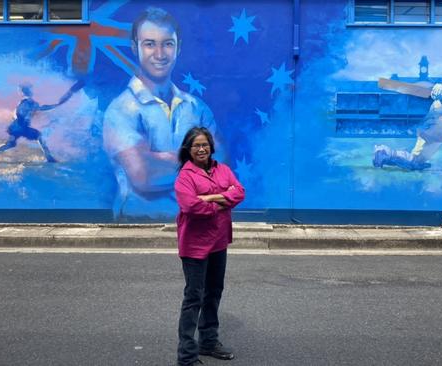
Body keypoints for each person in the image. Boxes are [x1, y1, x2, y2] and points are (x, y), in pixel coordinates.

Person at [103, 7, 218, 216]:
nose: (159, 54)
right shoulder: (120, 111)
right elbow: (145, 175)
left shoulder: (197, 107)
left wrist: (160, 157)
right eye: (149, 44)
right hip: (138, 226)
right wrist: (198, 159)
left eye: (167, 44)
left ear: (178, 48)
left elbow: (220, 165)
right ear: (134, 47)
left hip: (195, 222)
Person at [174, 127, 245, 366]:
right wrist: (221, 202)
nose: (201, 149)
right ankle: (186, 356)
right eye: (196, 146)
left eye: (205, 145)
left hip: (218, 242)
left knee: (213, 293)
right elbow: (191, 207)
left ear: (211, 147)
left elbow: (239, 192)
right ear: (189, 149)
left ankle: (208, 341)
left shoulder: (222, 169)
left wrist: (210, 197)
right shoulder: (185, 176)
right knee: (194, 298)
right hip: (194, 245)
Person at [0, 80, 82, 162]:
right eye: (30, 89)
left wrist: (54, 106)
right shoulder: (28, 101)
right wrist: (55, 105)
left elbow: (38, 108)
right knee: (38, 136)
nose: (32, 91)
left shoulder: (25, 101)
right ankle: (49, 158)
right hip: (20, 126)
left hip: (17, 126)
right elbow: (38, 108)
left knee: (10, 144)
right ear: (27, 90)